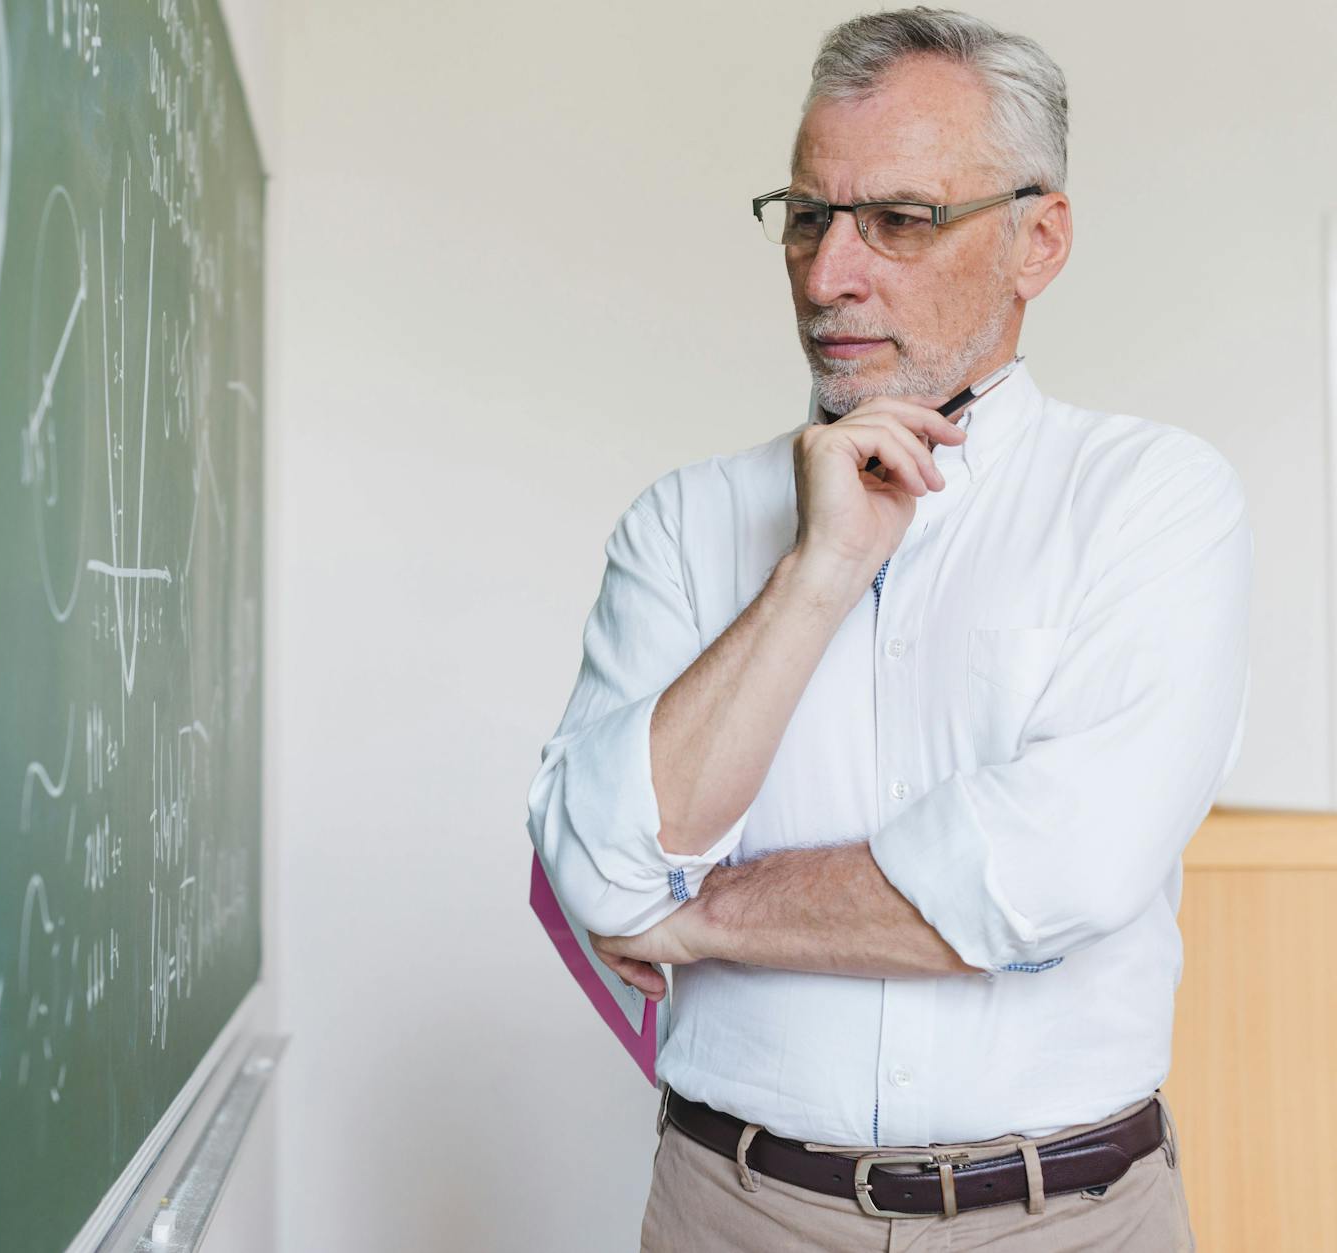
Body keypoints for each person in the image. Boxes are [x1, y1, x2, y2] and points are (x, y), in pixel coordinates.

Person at [522, 8, 1249, 1250]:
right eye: (807, 215)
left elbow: (1054, 871)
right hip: (730, 1207)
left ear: (1039, 238)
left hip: (1065, 1218)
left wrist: (692, 910)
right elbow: (592, 871)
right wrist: (816, 570)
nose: (824, 274)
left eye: (897, 221)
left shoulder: (1151, 498)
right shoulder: (684, 523)